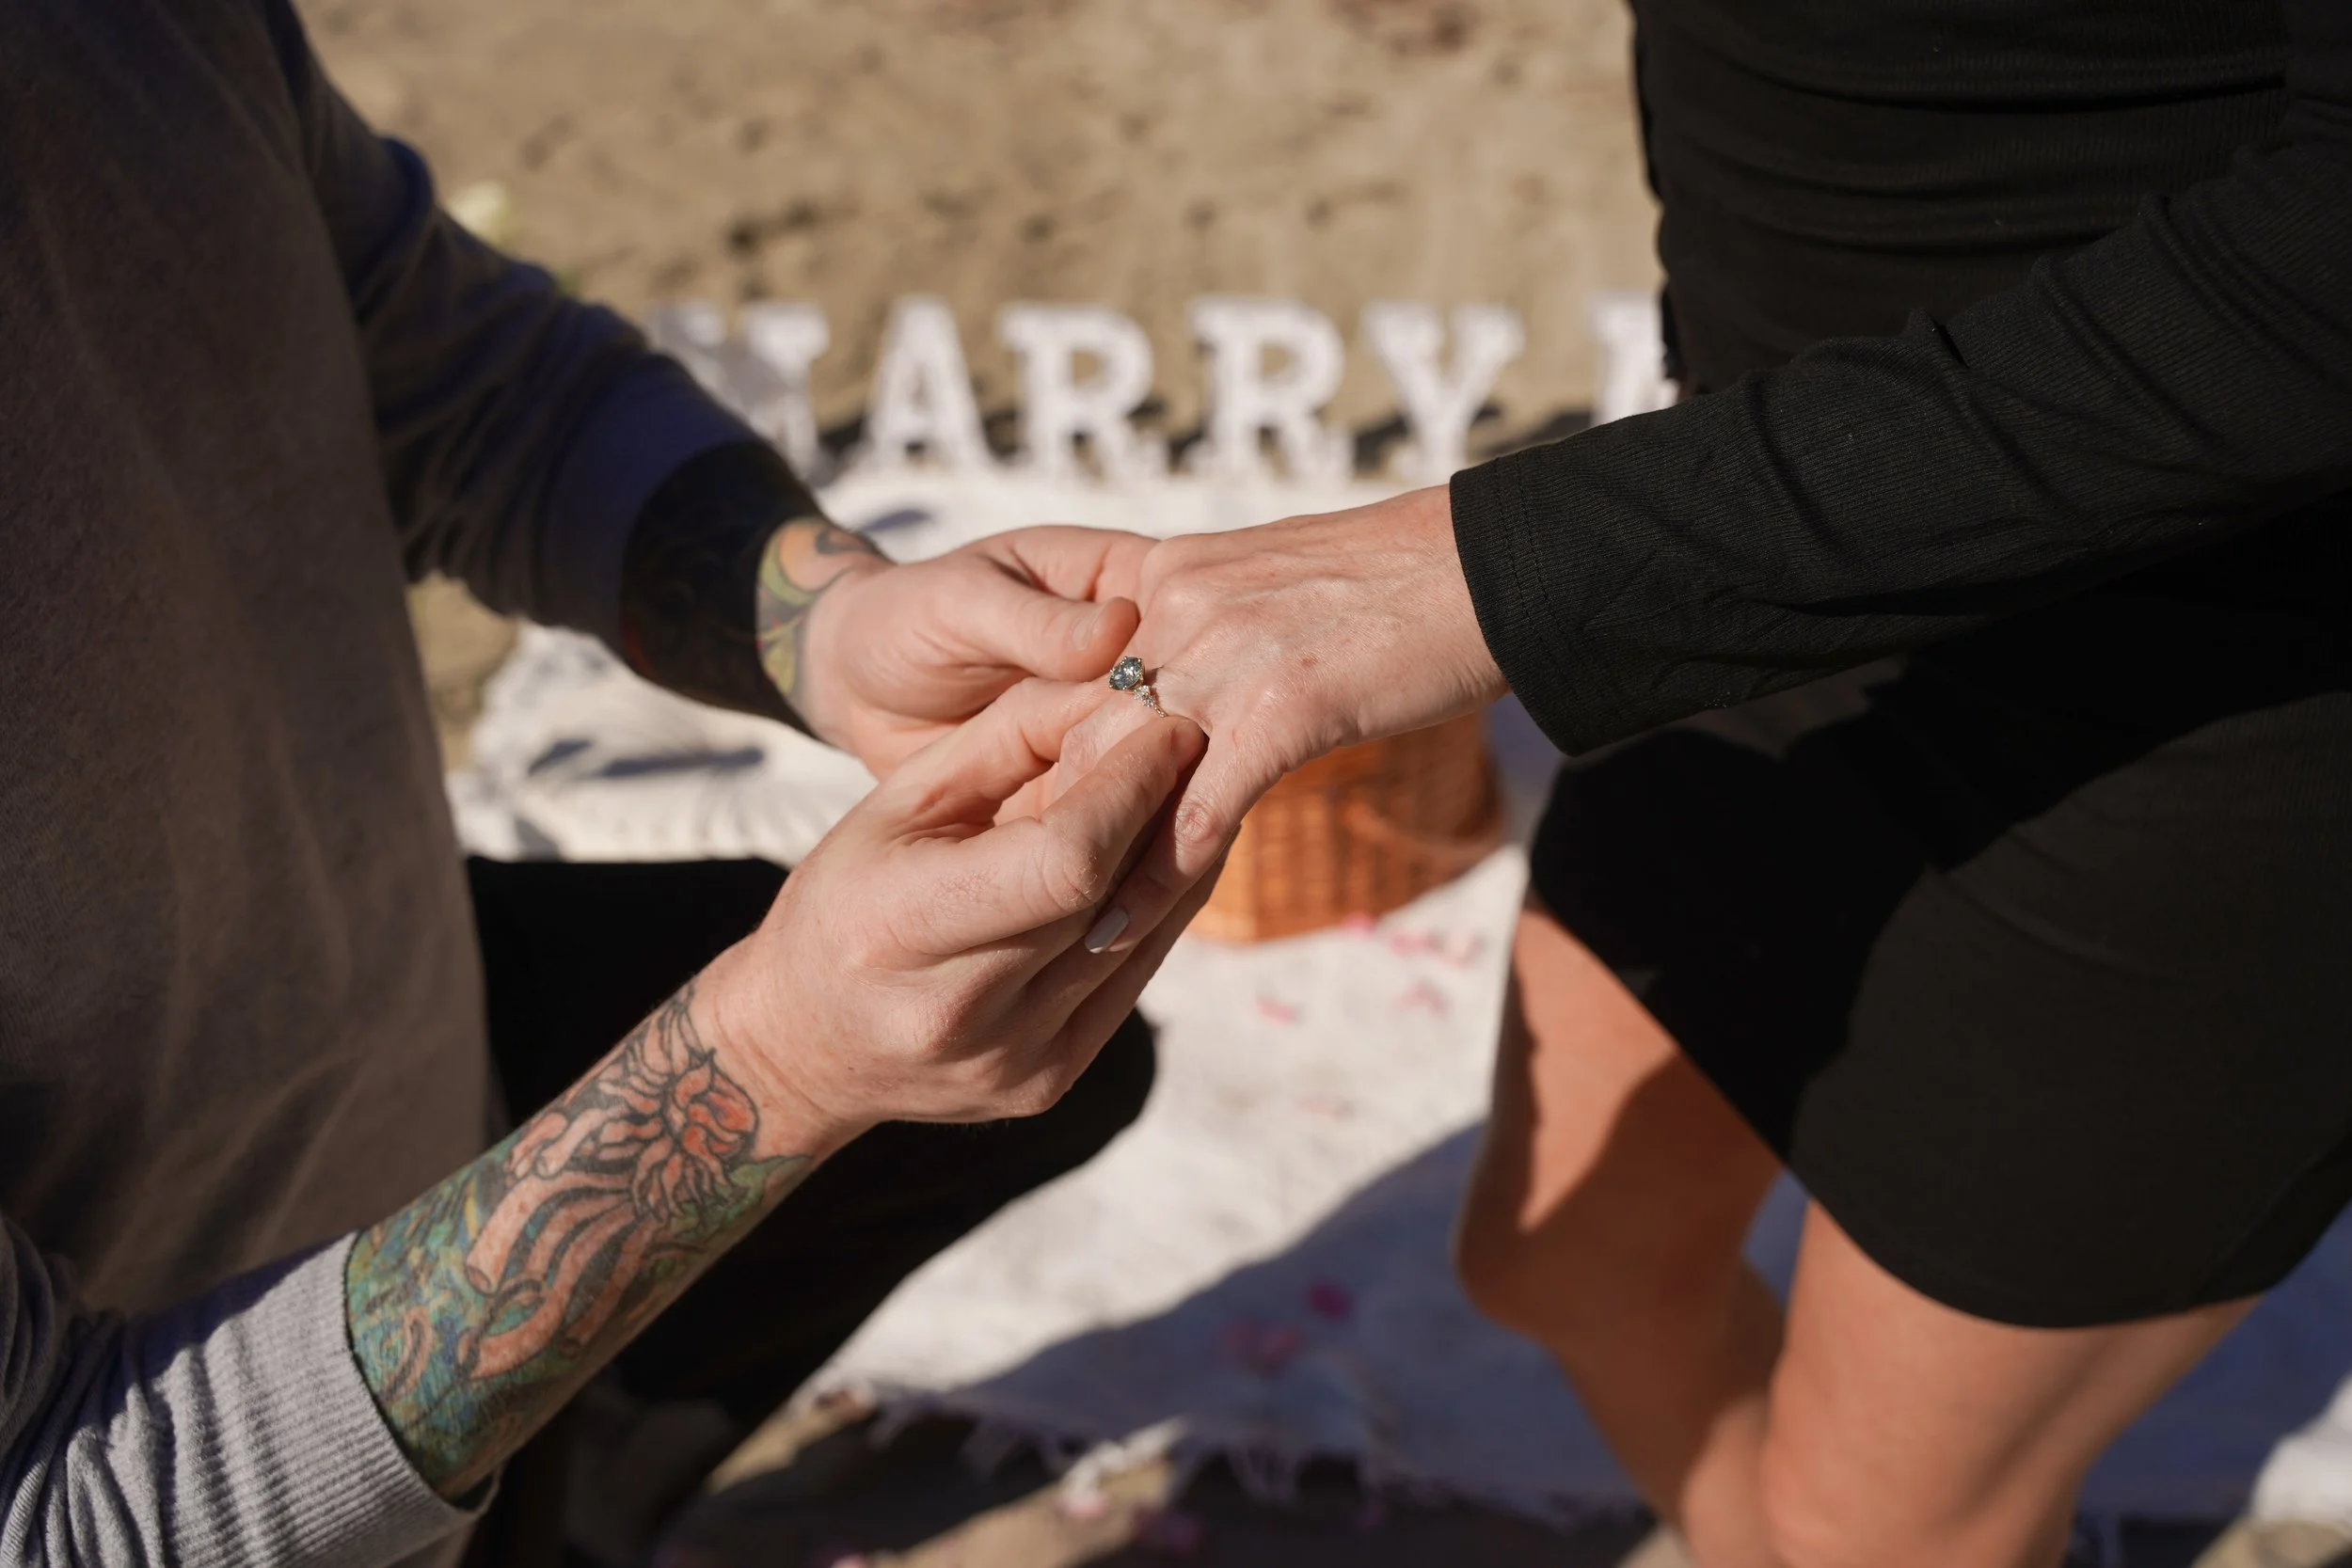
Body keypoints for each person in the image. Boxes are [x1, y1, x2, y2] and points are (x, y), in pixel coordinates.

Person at [1078, 0, 2352, 1562]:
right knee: (1563, 1259)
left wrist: (1499, 572)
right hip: (1774, 552)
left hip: (2222, 704)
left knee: (1877, 1528)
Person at [0, 2, 1191, 1563]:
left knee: (1080, 1073)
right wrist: (771, 1064)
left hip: (445, 1113)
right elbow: (75, 1504)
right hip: (286, 1459)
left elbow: (465, 380)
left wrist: (825, 622)